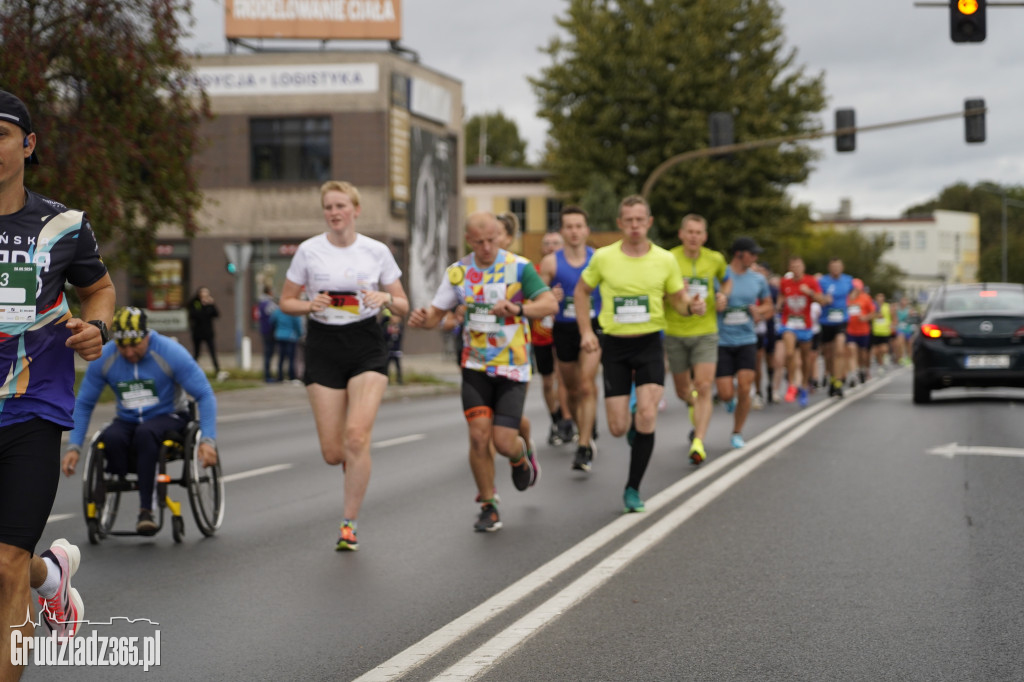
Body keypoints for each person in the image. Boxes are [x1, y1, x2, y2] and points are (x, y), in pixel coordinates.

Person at [0, 89, 116, 678]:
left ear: (28, 143)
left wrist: (96, 328)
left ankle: (35, 574)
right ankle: (55, 578)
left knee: (6, 562)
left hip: (31, 407)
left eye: (0, 134)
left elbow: (99, 288)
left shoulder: (63, 224)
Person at [278, 180, 409, 551]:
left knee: (356, 436)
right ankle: (355, 463)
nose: (334, 213)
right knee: (334, 453)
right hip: (323, 345)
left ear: (356, 210)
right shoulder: (308, 251)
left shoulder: (376, 251)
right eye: (329, 207)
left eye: (341, 206)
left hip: (366, 343)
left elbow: (403, 304)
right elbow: (286, 301)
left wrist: (385, 297)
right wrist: (309, 305)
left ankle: (348, 523)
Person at [409, 212, 557, 532]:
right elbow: (437, 315)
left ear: (500, 236)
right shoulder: (459, 273)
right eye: (480, 242)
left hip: (513, 366)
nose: (487, 247)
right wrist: (423, 319)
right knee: (479, 437)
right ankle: (488, 505)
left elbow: (548, 305)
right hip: (474, 365)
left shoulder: (519, 267)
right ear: (469, 240)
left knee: (503, 442)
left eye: (492, 240)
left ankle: (521, 455)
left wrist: (518, 308)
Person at [574, 195, 702, 513]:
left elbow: (678, 299)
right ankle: (630, 425)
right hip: (615, 345)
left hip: (649, 344)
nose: (634, 226)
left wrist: (691, 307)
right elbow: (581, 292)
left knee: (647, 415)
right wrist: (587, 332)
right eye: (628, 220)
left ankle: (633, 489)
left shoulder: (664, 260)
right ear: (620, 223)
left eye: (640, 220)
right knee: (618, 427)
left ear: (649, 222)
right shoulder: (603, 258)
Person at [61, 307, 219, 534]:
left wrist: (208, 440)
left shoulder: (169, 351)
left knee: (146, 432)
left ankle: (146, 510)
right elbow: (85, 402)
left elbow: (204, 393)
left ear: (146, 335)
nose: (129, 352)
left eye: (135, 345)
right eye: (123, 346)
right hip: (128, 419)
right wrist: (74, 446)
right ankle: (114, 485)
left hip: (169, 416)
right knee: (111, 437)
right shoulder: (106, 357)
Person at [540, 206, 604, 472]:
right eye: (569, 226)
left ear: (587, 230)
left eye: (579, 226)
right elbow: (538, 297)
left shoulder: (599, 259)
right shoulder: (551, 262)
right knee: (573, 388)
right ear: (562, 231)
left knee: (586, 384)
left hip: (592, 326)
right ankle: (584, 426)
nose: (575, 231)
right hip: (564, 329)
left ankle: (584, 446)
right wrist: (548, 297)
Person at [664, 214, 729, 465]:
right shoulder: (669, 259)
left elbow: (726, 280)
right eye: (689, 232)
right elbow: (659, 291)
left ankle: (698, 441)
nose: (693, 236)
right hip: (676, 331)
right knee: (683, 391)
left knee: (703, 386)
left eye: (698, 232)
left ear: (705, 236)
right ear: (681, 234)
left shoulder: (715, 259)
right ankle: (693, 405)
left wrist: (723, 296)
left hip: (705, 331)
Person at [716, 238, 774, 449]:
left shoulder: (758, 280)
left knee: (744, 385)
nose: (756, 258)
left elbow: (769, 306)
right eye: (753, 254)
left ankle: (737, 432)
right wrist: (718, 303)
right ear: (740, 254)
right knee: (724, 392)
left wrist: (759, 311)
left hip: (747, 340)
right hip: (722, 340)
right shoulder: (721, 275)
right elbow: (710, 301)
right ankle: (728, 400)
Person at [533, 230, 574, 446]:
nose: (551, 247)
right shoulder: (534, 273)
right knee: (548, 382)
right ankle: (556, 419)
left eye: (555, 243)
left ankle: (568, 421)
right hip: (541, 336)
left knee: (564, 379)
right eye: (547, 243)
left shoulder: (568, 271)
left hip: (564, 332)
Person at [778, 257, 825, 408]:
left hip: (805, 325)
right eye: (793, 266)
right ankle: (792, 383)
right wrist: (779, 304)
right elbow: (780, 297)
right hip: (789, 323)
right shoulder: (785, 282)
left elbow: (822, 300)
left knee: (806, 360)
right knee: (790, 353)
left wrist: (810, 292)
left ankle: (804, 386)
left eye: (798, 266)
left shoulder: (811, 281)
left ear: (803, 267)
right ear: (790, 268)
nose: (796, 269)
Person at [817, 258, 855, 397]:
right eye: (833, 266)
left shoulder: (848, 280)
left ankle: (838, 382)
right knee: (828, 354)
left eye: (838, 266)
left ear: (842, 267)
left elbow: (855, 290)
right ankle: (832, 377)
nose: (836, 269)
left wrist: (850, 300)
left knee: (839, 350)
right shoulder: (823, 281)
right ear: (829, 268)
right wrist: (823, 299)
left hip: (842, 320)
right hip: (826, 321)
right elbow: (817, 297)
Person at [188, 286, 225, 380]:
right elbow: (195, 315)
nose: (204, 294)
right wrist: (205, 307)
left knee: (213, 352)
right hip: (197, 332)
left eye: (206, 292)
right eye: (203, 292)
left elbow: (216, 314)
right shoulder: (195, 303)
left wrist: (211, 304)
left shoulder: (209, 304)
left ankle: (217, 371)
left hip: (208, 332)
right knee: (197, 353)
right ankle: (191, 372)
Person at [845, 278, 876, 384]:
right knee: (851, 351)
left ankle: (862, 369)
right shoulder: (847, 298)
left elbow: (873, 313)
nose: (855, 290)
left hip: (863, 331)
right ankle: (853, 375)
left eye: (857, 288)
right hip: (850, 330)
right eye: (853, 288)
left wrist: (865, 318)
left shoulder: (866, 298)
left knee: (862, 354)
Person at [272, 305, 304, 383]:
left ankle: (280, 376)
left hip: (279, 335)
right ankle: (291, 376)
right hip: (291, 337)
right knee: (291, 358)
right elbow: (298, 325)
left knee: (281, 357)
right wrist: (300, 334)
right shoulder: (293, 312)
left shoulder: (278, 311)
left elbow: (272, 321)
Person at [256, 284, 278, 382]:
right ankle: (268, 376)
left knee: (267, 353)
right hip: (270, 331)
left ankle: (267, 374)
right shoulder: (269, 304)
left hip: (264, 330)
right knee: (269, 353)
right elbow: (275, 316)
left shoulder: (260, 303)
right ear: (269, 292)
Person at [382, 312, 404, 385]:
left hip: (396, 350)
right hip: (389, 350)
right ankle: (387, 380)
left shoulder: (399, 327)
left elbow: (401, 336)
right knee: (387, 365)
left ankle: (399, 379)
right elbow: (384, 335)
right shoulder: (387, 327)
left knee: (397, 365)